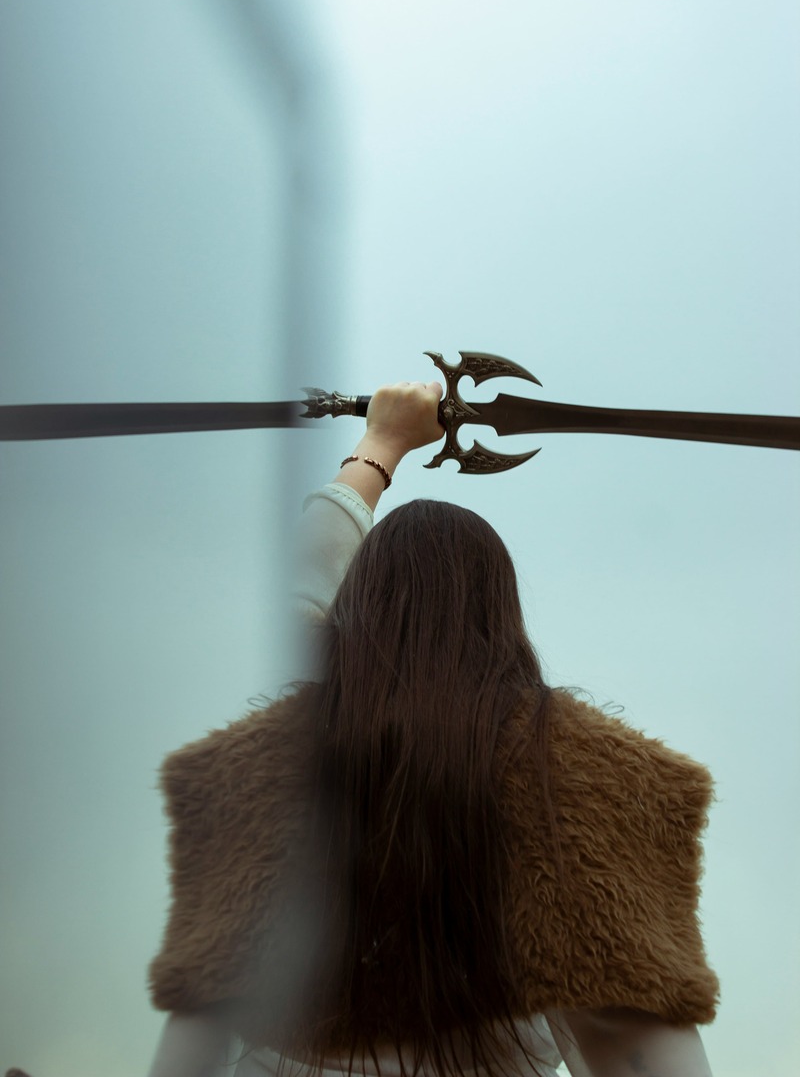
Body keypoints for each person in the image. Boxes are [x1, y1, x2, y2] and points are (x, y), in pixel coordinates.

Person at [146, 381, 718, 1077]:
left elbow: (305, 580)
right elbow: (634, 1050)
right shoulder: (574, 781)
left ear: (356, 608)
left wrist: (381, 443)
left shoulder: (274, 767)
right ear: (502, 616)